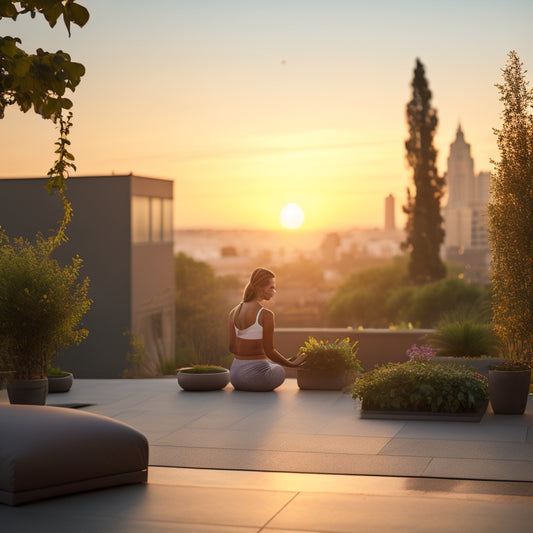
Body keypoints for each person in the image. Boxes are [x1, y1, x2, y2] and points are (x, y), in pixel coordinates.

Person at [228, 267, 307, 391]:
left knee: (271, 365)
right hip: (252, 378)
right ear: (260, 288)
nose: (274, 291)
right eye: (271, 287)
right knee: (279, 370)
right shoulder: (266, 315)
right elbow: (269, 351)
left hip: (234, 377)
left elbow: (231, 348)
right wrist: (292, 364)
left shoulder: (233, 312)